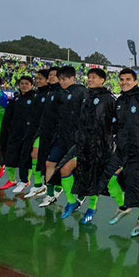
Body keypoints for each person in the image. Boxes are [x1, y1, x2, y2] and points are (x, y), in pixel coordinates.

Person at [57, 67, 119, 224]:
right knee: (64, 169)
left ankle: (92, 208)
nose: (90, 79)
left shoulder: (108, 98)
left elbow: (117, 121)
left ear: (102, 80)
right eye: (88, 77)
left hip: (99, 146)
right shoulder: (86, 96)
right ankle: (72, 202)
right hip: (82, 143)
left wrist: (108, 138)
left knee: (93, 178)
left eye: (94, 77)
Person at [106, 68, 139, 235]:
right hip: (122, 149)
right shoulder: (120, 100)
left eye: (128, 79)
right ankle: (123, 207)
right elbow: (117, 123)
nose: (124, 82)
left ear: (135, 81)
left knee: (138, 186)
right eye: (121, 79)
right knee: (109, 179)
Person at [36, 65, 86, 207]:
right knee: (49, 163)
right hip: (61, 137)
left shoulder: (82, 91)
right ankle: (50, 194)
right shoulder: (60, 93)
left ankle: (81, 195)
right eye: (60, 79)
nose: (61, 82)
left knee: (78, 169)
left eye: (64, 79)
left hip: (76, 139)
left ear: (73, 78)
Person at [24, 67, 61, 197]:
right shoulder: (47, 92)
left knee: (53, 161)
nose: (51, 77)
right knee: (36, 155)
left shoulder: (61, 92)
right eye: (50, 75)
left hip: (57, 132)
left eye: (54, 75)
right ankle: (39, 184)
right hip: (44, 130)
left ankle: (54, 187)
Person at [0, 76, 36, 190]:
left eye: (26, 83)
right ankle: (11, 180)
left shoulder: (35, 98)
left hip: (28, 133)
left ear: (31, 85)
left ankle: (26, 180)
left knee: (26, 158)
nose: (24, 85)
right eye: (22, 83)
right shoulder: (16, 99)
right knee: (10, 157)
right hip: (15, 133)